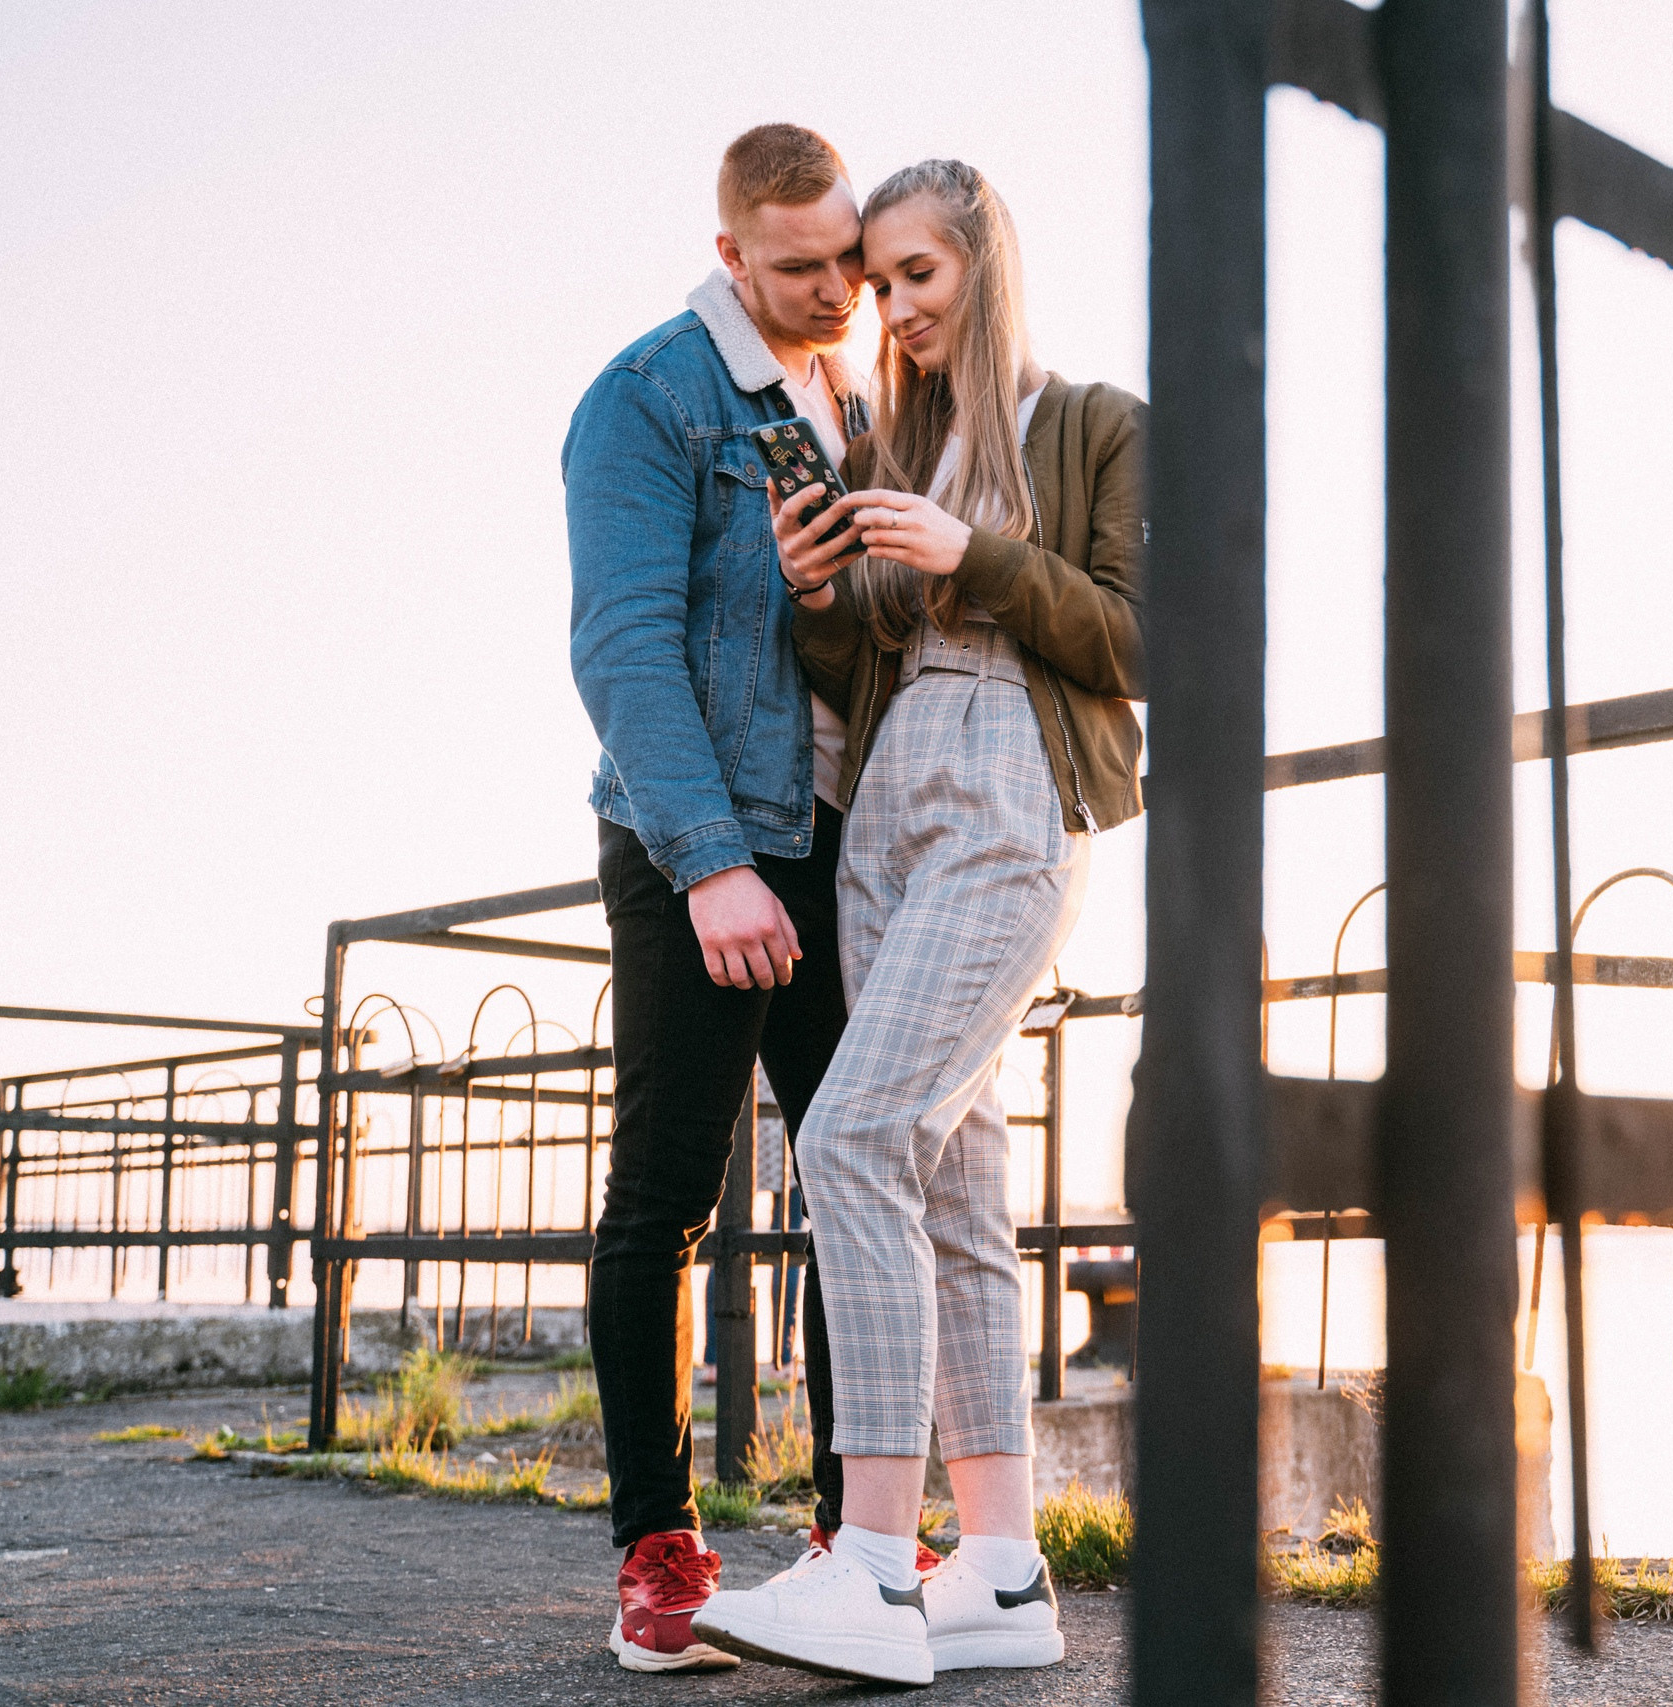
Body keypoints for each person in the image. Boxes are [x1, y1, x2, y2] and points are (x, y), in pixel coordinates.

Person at [693, 158, 1146, 1686]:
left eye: (916, 276)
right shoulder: (889, 445)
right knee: (957, 1185)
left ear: (984, 263)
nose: (890, 307)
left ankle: (874, 1566)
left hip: (1017, 796)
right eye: (877, 284)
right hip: (889, 807)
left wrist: (977, 556)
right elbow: (856, 671)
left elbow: (1147, 640)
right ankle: (1002, 1575)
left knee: (850, 1135)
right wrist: (820, 594)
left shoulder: (1094, 423)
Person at [564, 122, 923, 1676]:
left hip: (845, 843)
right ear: (729, 254)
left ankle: (861, 1544)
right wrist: (711, 865)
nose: (836, 289)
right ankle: (658, 1558)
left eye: (849, 260)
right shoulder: (648, 396)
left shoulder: (860, 392)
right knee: (666, 1197)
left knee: (857, 1174)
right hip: (697, 847)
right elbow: (623, 647)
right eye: (797, 267)